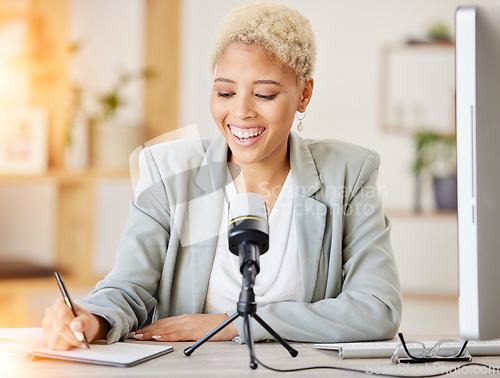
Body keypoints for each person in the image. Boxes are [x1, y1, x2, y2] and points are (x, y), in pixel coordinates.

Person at [42, 2, 402, 351]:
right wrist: (93, 318)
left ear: (304, 94)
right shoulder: (169, 171)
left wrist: (235, 323)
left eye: (264, 94)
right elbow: (128, 288)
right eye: (225, 92)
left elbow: (377, 308)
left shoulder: (349, 173)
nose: (241, 111)